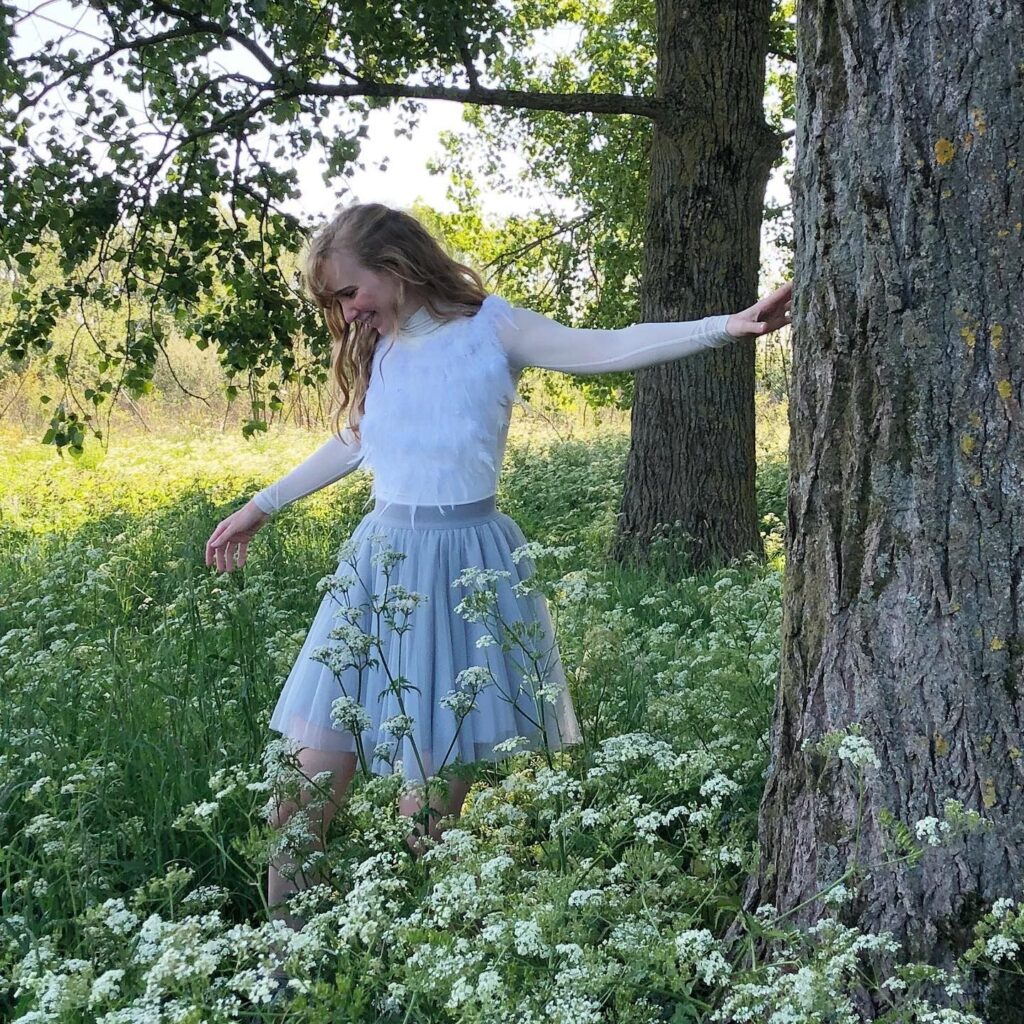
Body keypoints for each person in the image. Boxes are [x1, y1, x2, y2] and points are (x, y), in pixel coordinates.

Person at [203, 201, 792, 974]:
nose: (348, 312)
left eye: (351, 292)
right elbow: (353, 442)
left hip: (465, 572)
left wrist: (726, 325)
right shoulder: (379, 351)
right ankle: (280, 967)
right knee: (302, 786)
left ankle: (414, 964)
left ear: (397, 264)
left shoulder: (493, 328)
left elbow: (605, 347)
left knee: (428, 810)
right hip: (378, 566)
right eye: (338, 301)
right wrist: (259, 508)